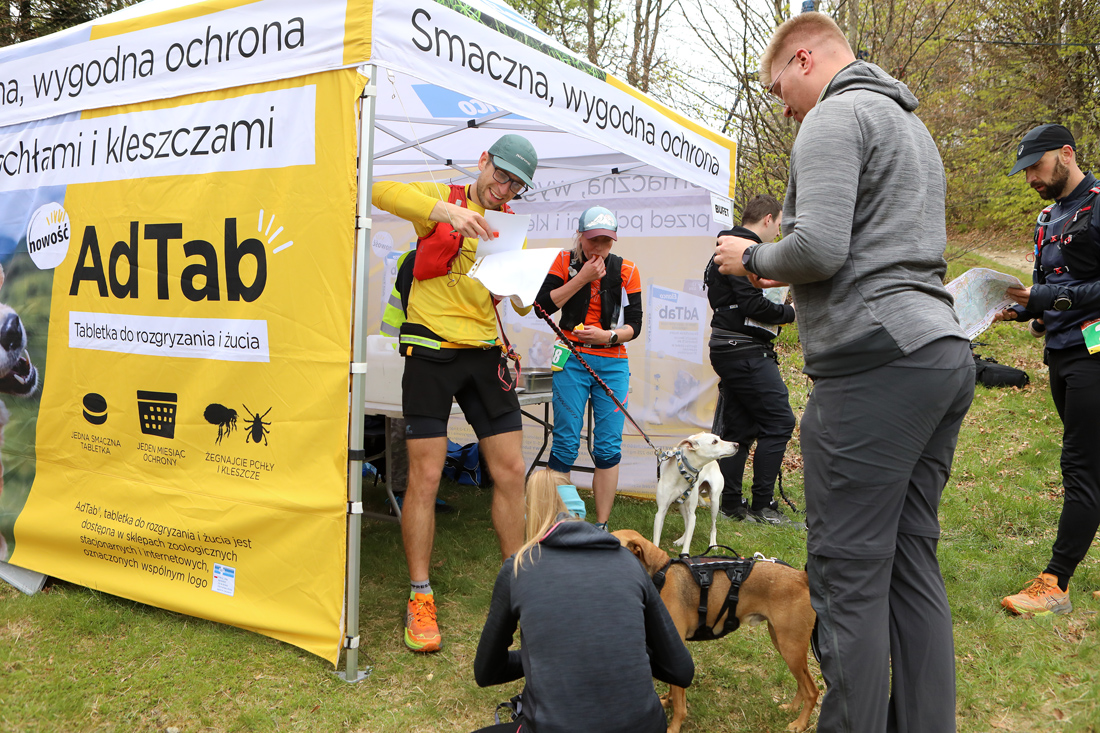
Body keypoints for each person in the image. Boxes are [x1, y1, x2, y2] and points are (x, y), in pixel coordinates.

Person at [712, 12, 973, 732]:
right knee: (912, 564)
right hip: (938, 352)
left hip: (874, 366)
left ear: (803, 59)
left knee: (847, 576)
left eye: (778, 90)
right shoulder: (911, 128)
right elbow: (871, 245)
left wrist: (750, 257)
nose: (783, 108)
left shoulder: (834, 115)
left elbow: (820, 248)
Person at [371, 134, 538, 653]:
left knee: (511, 470)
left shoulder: (509, 224)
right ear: (483, 161)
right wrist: (449, 213)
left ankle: (518, 588)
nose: (503, 188)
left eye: (515, 185)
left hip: (485, 352)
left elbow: (521, 303)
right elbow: (379, 191)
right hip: (431, 350)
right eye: (501, 175)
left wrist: (524, 284)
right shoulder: (441, 198)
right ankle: (420, 596)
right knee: (425, 474)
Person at [471, 469, 694, 733]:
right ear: (580, 512)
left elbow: (487, 671)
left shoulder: (518, 568)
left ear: (530, 518)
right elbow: (681, 670)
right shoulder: (629, 563)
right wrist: (619, 649)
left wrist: (547, 655)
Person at [995, 123, 1100, 616]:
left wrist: (1046, 298)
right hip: (1060, 355)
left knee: (1080, 466)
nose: (1031, 178)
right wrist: (1021, 311)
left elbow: (1066, 291)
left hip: (1094, 355)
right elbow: (1047, 289)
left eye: (1036, 166)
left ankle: (1055, 584)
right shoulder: (1046, 218)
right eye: (1025, 171)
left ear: (1067, 154)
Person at [534, 207, 643, 531]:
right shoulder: (563, 262)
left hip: (612, 363)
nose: (599, 248)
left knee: (608, 446)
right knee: (566, 441)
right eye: (594, 240)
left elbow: (635, 324)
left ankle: (601, 525)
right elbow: (542, 307)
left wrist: (608, 336)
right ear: (580, 236)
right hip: (571, 359)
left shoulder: (627, 269)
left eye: (606, 242)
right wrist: (582, 278)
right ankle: (561, 522)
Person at [704, 194, 799, 526]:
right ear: (768, 219)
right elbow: (751, 305)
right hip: (742, 349)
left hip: (732, 347)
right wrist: (791, 313)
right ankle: (763, 505)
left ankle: (730, 503)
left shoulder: (727, 245)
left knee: (740, 428)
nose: (778, 234)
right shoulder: (741, 248)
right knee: (780, 421)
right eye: (779, 225)